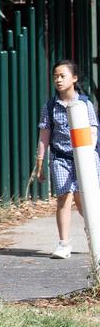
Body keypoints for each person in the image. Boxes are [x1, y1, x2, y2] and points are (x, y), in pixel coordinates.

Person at [35, 59, 99, 259]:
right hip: (61, 158)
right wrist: (40, 162)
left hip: (84, 158)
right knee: (64, 197)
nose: (58, 80)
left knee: (83, 201)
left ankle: (94, 235)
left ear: (74, 78)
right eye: (55, 76)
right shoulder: (51, 106)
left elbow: (93, 132)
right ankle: (63, 244)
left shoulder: (85, 104)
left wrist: (87, 156)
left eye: (62, 76)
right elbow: (44, 134)